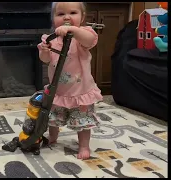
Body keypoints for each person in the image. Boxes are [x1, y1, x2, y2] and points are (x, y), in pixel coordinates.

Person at [37, 2, 103, 160]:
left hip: (80, 92)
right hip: (57, 91)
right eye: (60, 14)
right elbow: (45, 60)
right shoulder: (51, 39)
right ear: (53, 19)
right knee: (52, 119)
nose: (66, 17)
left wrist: (73, 30)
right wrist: (44, 51)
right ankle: (52, 138)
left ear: (82, 17)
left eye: (73, 13)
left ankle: (84, 145)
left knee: (83, 122)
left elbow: (89, 41)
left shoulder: (83, 35)